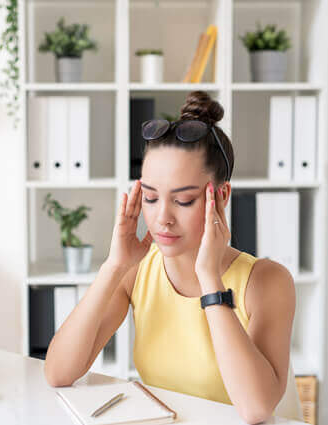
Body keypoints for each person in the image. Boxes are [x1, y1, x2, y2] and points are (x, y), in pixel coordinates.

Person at [44, 90, 296, 424]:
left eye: (184, 200)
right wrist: (114, 265)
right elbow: (59, 373)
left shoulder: (266, 281)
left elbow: (255, 409)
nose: (163, 218)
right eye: (150, 197)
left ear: (221, 196)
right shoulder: (137, 273)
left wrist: (210, 279)